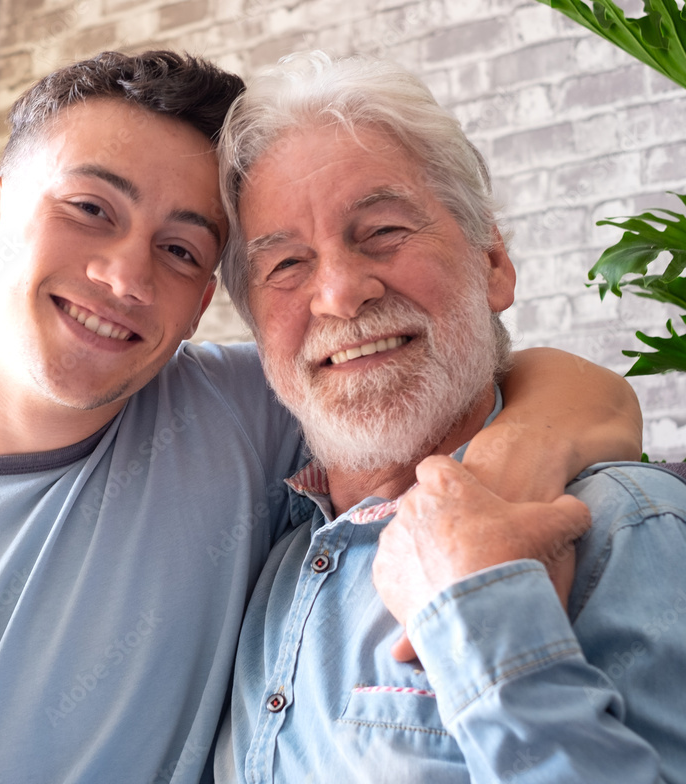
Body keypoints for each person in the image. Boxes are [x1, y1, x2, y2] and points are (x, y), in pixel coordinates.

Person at [0, 50, 641, 783]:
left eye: (184, 251)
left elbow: (546, 380)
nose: (126, 277)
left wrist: (496, 483)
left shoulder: (239, 416)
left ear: (206, 305)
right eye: (90, 208)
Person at [211, 51, 686, 783]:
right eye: (286, 266)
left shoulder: (623, 526)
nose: (339, 293)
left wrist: (482, 622)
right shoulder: (265, 553)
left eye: (383, 232)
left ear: (493, 261)